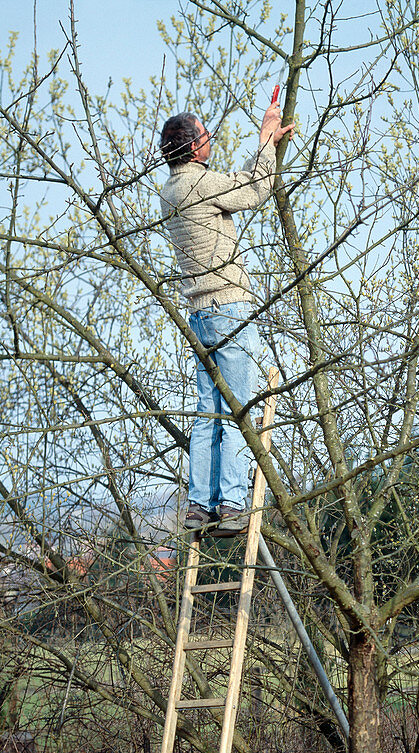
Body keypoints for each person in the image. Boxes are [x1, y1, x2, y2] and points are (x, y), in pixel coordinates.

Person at [159, 104, 293, 534]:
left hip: (198, 314)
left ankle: (199, 505)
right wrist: (266, 141)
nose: (211, 140)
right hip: (228, 308)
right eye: (205, 135)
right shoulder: (198, 182)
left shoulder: (170, 189)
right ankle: (233, 505)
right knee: (238, 410)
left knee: (207, 413)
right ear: (194, 145)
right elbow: (254, 189)